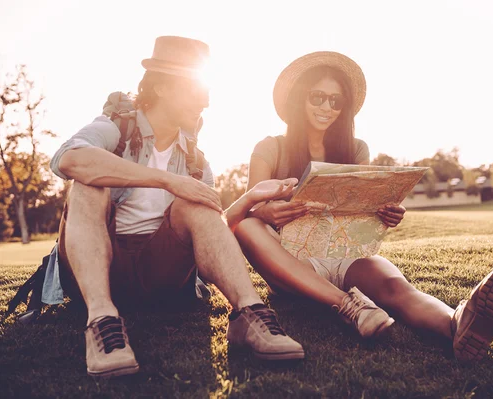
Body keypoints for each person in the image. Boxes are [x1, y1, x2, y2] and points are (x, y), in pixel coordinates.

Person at [45, 36, 305, 378]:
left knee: (198, 201)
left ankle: (249, 314)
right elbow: (70, 159)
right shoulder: (114, 127)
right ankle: (103, 323)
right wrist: (166, 180)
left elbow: (212, 233)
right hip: (98, 271)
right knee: (88, 186)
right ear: (163, 88)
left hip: (160, 275)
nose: (206, 101)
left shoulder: (196, 160)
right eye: (196, 88)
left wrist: (252, 196)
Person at [234, 51, 493, 362]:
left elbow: (360, 212)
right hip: (289, 258)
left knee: (396, 287)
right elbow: (247, 211)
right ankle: (348, 305)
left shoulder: (355, 149)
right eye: (318, 97)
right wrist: (266, 211)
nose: (327, 108)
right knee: (248, 227)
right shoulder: (270, 147)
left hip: (343, 254)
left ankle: (457, 323)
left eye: (336, 101)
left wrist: (384, 212)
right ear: (300, 98)